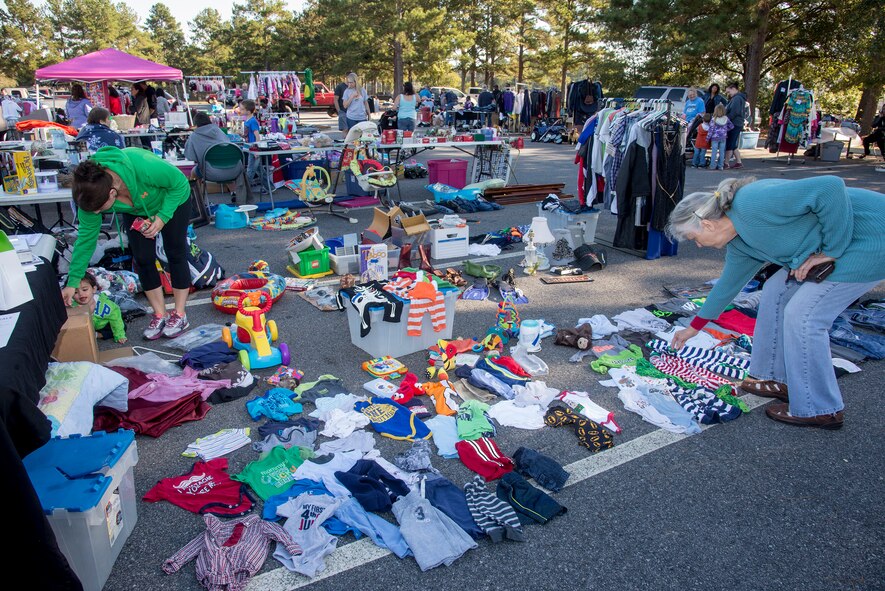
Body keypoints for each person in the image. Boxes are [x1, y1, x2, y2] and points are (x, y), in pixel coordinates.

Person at [666, 175, 885, 429]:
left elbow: (830, 187)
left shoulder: (751, 202)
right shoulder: (739, 242)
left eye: (694, 238)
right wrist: (694, 327)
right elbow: (726, 286)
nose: (697, 245)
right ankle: (774, 377)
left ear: (708, 224)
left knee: (803, 316)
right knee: (775, 289)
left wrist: (830, 251)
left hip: (870, 236)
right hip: (840, 242)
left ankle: (819, 408)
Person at [61, 147, 194, 339]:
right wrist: (72, 282)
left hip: (173, 200)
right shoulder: (91, 195)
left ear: (112, 193)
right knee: (143, 258)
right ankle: (160, 314)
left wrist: (162, 218)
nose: (97, 213)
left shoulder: (143, 165)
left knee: (175, 252)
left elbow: (179, 183)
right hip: (136, 211)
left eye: (100, 209)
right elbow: (85, 241)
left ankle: (180, 314)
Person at [184, 111, 236, 198]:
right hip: (232, 169)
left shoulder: (194, 136)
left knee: (194, 171)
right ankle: (234, 192)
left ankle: (197, 196)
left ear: (196, 124)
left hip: (209, 172)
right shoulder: (219, 132)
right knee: (224, 164)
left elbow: (190, 157)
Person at [74, 272, 127, 343]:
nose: (81, 294)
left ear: (94, 289)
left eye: (84, 289)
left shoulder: (105, 305)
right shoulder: (72, 306)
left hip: (102, 325)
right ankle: (89, 334)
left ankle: (99, 335)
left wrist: (119, 335)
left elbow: (115, 318)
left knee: (121, 326)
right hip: (85, 327)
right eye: (75, 292)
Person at [238, 99, 262, 188]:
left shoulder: (252, 121)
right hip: (249, 147)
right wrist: (241, 134)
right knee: (258, 169)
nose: (240, 110)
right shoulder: (248, 121)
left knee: (251, 168)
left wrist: (257, 148)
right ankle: (269, 187)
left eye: (242, 109)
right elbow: (248, 135)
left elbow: (257, 136)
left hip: (253, 147)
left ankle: (246, 187)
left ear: (248, 111)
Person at [723, 82, 746, 169]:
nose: (728, 94)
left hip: (734, 123)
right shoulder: (738, 98)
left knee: (730, 143)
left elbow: (734, 112)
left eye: (729, 92)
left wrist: (725, 119)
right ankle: (739, 162)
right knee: (733, 144)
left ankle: (726, 163)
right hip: (737, 123)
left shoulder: (737, 98)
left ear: (733, 89)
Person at [707, 105, 733, 170]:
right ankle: (720, 166)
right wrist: (725, 130)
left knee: (714, 152)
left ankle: (712, 166)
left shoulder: (713, 119)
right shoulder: (726, 118)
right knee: (722, 152)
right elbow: (731, 126)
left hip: (715, 138)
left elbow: (711, 130)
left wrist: (708, 138)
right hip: (723, 137)